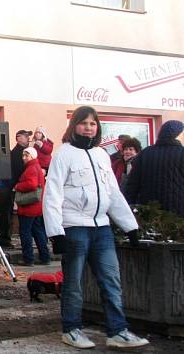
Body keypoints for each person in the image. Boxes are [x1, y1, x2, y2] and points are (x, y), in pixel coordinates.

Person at [43, 106, 149, 349]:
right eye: (83, 123)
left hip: (102, 228)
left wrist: (129, 226)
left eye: (93, 123)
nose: (88, 127)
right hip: (75, 228)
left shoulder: (102, 155)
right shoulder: (63, 154)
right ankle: (71, 329)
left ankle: (117, 331)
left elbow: (113, 192)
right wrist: (55, 232)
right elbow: (52, 194)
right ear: (74, 126)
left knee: (111, 279)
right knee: (73, 282)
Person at [125, 120, 184, 217]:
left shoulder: (145, 153)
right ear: (177, 135)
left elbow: (132, 184)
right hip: (178, 212)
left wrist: (128, 208)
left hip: (149, 211)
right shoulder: (181, 153)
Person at [0, 129, 31, 248]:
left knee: (7, 214)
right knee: (6, 214)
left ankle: (5, 239)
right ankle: (4, 240)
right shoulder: (17, 153)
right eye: (26, 136)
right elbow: (19, 171)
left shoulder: (20, 152)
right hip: (9, 188)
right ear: (19, 138)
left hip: (13, 188)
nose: (28, 139)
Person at [14, 147, 49, 266]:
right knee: (38, 232)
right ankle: (45, 257)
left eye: (26, 155)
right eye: (23, 155)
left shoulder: (31, 168)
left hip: (28, 207)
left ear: (32, 156)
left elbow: (32, 184)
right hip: (37, 207)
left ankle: (28, 259)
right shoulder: (37, 167)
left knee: (25, 233)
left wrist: (18, 186)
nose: (24, 158)